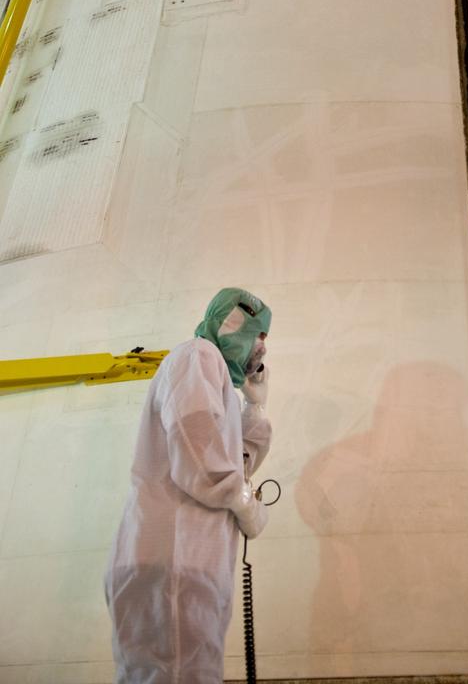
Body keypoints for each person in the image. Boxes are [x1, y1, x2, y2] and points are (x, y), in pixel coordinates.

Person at [105, 288, 273, 684]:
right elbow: (197, 451)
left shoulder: (215, 384)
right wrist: (245, 503)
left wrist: (255, 406)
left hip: (190, 564)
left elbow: (238, 459)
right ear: (234, 324)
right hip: (172, 562)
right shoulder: (198, 356)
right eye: (259, 333)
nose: (263, 346)